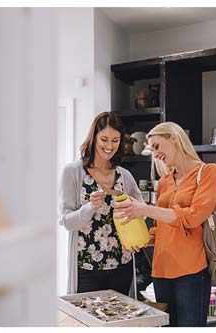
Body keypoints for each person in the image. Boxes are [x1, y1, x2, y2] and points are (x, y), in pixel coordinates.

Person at [114, 121, 216, 327]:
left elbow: (193, 217)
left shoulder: (209, 172)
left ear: (174, 139)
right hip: (161, 270)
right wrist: (144, 239)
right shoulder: (164, 181)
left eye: (157, 146)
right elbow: (161, 225)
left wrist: (144, 209)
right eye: (152, 149)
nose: (155, 154)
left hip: (191, 270)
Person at [58, 111, 143, 297]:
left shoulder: (124, 176)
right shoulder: (73, 172)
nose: (109, 146)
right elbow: (66, 221)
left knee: (120, 324)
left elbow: (140, 212)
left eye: (115, 140)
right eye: (104, 139)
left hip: (122, 265)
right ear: (94, 138)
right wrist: (89, 207)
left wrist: (135, 238)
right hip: (87, 268)